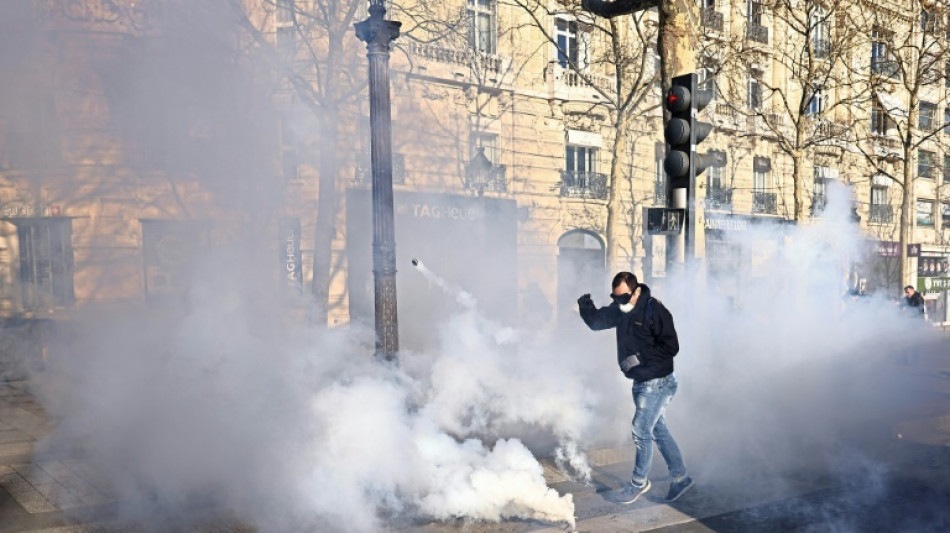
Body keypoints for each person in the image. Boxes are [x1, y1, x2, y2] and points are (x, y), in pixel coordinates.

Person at [577, 272, 693, 504]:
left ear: (636, 290)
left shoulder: (655, 310)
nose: (618, 302)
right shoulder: (620, 309)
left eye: (623, 297)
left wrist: (640, 357)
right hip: (641, 382)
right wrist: (585, 306)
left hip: (659, 382)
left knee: (641, 431)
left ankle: (638, 483)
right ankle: (680, 479)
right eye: (615, 297)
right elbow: (597, 323)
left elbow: (671, 346)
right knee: (658, 430)